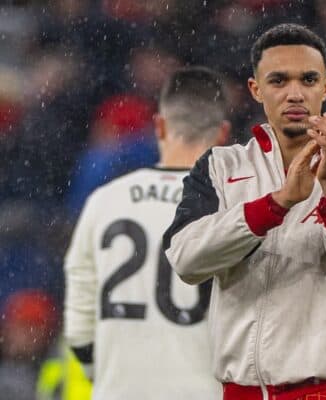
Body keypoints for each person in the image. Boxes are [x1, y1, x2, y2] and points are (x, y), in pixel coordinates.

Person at [163, 23, 326, 400]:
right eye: (278, 81)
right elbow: (186, 260)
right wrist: (276, 204)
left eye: (308, 80)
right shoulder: (220, 166)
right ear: (255, 89)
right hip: (241, 392)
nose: (295, 93)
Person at [63, 66, 229, 399]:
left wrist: (108, 374)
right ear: (223, 133)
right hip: (202, 390)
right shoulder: (233, 208)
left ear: (159, 126)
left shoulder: (105, 200)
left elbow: (79, 326)